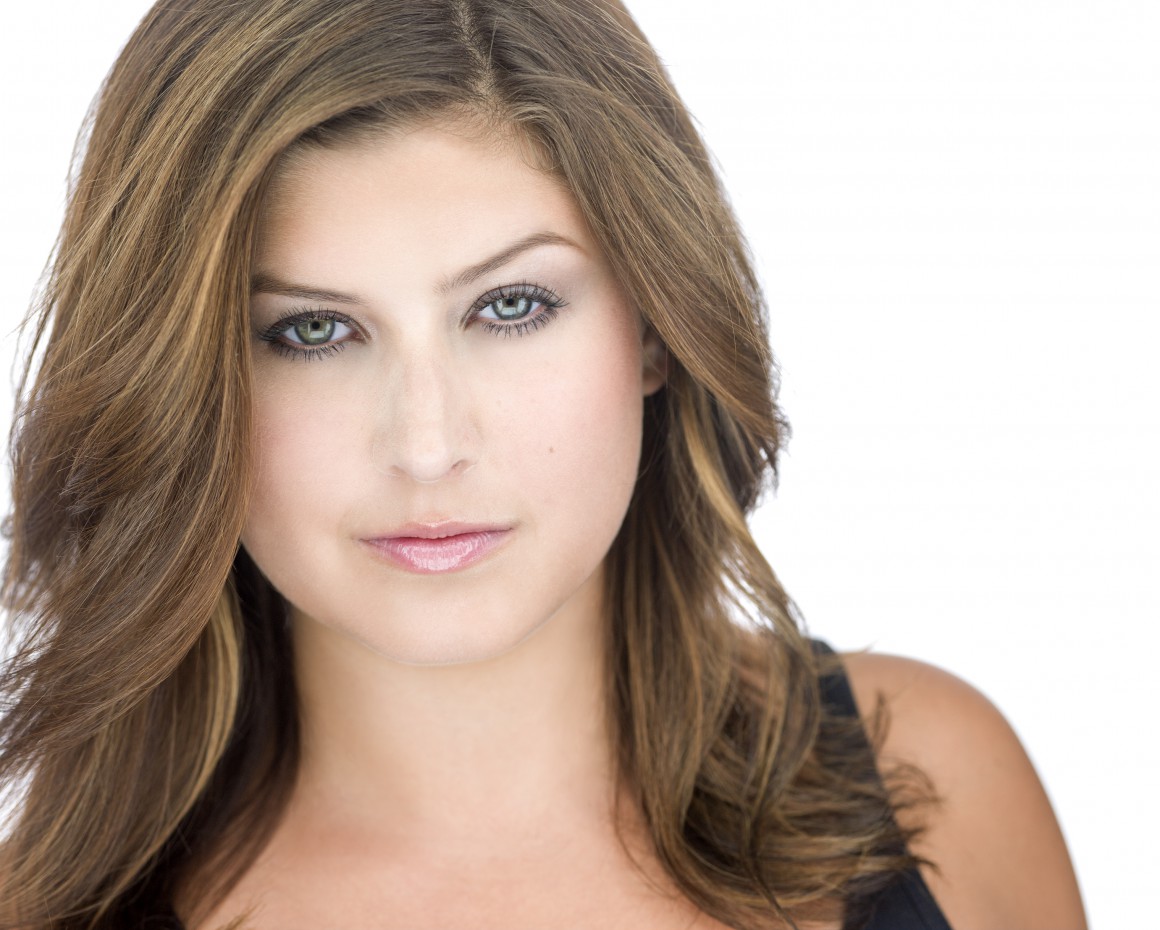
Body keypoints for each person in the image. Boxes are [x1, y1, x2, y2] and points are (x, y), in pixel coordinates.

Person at [0, 1, 1086, 928]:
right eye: (312, 332)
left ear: (654, 324)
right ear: (185, 383)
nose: (428, 447)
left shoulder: (932, 786)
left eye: (510, 307)